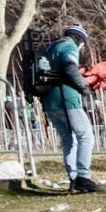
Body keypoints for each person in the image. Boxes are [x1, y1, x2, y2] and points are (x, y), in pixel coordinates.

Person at [41, 25, 99, 193]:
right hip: (67, 100)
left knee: (68, 140)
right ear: (79, 40)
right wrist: (84, 87)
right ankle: (83, 177)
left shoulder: (50, 48)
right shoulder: (69, 46)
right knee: (86, 136)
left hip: (50, 102)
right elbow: (70, 68)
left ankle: (73, 179)